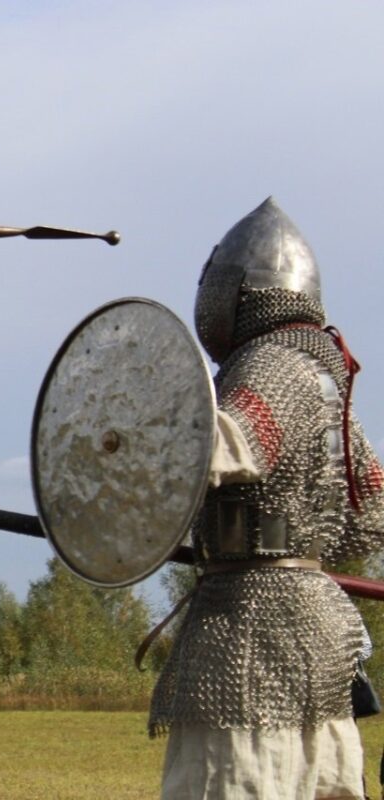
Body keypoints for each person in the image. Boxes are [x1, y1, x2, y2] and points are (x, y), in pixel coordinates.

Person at [151, 198, 384, 799]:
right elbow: (369, 520)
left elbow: (225, 446)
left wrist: (123, 458)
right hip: (320, 628)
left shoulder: (268, 363)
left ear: (239, 293)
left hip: (249, 635)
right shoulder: (328, 382)